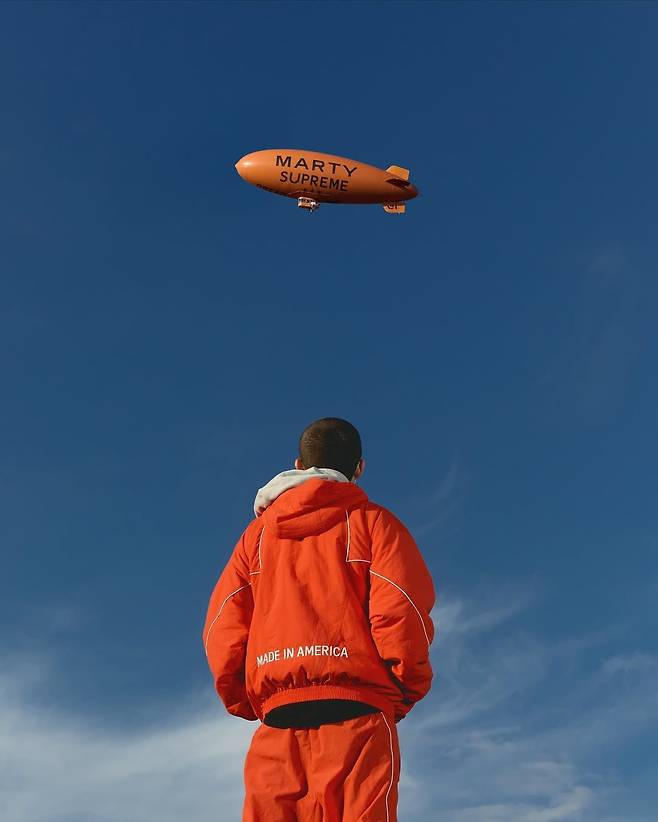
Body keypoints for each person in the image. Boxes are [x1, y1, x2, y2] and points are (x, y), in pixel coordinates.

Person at [202, 417, 435, 821]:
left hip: (278, 721)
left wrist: (247, 697)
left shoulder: (254, 540)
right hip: (359, 714)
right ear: (359, 467)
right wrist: (403, 686)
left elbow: (223, 626)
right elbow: (401, 609)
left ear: (299, 464)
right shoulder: (376, 524)